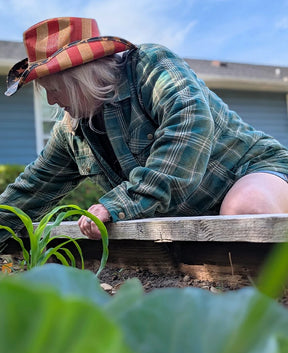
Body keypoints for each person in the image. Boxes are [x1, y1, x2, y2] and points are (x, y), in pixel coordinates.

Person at [1, 16, 288, 243]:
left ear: (81, 78)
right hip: (201, 219)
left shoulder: (152, 66)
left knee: (246, 210)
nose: (51, 100)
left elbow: (189, 129)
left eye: (54, 89)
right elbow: (31, 190)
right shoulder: (72, 132)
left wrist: (124, 202)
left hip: (254, 171)